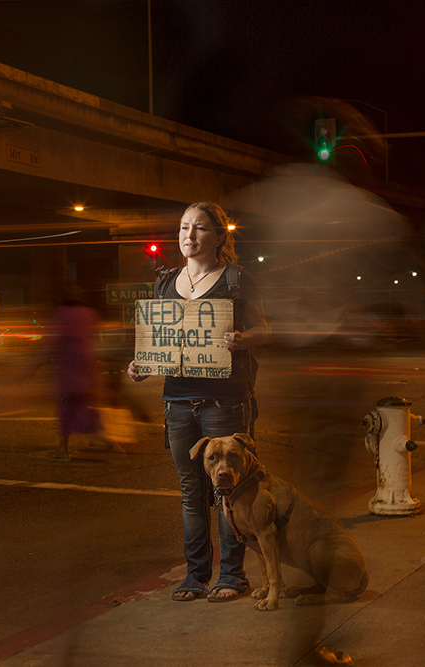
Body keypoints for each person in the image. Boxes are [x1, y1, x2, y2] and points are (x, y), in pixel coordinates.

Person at [127, 202, 269, 602]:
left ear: (219, 236)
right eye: (184, 228)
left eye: (200, 229)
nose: (189, 236)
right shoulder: (165, 282)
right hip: (177, 401)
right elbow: (160, 343)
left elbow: (266, 330)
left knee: (230, 490)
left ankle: (232, 575)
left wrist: (243, 339)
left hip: (224, 402)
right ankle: (195, 576)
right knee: (192, 494)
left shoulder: (237, 280)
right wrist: (140, 366)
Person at [27, 287, 103, 462]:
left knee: (65, 407)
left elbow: (51, 343)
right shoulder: (89, 313)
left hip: (68, 364)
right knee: (86, 402)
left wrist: (34, 365)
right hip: (87, 361)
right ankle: (99, 437)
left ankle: (62, 450)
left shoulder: (61, 314)